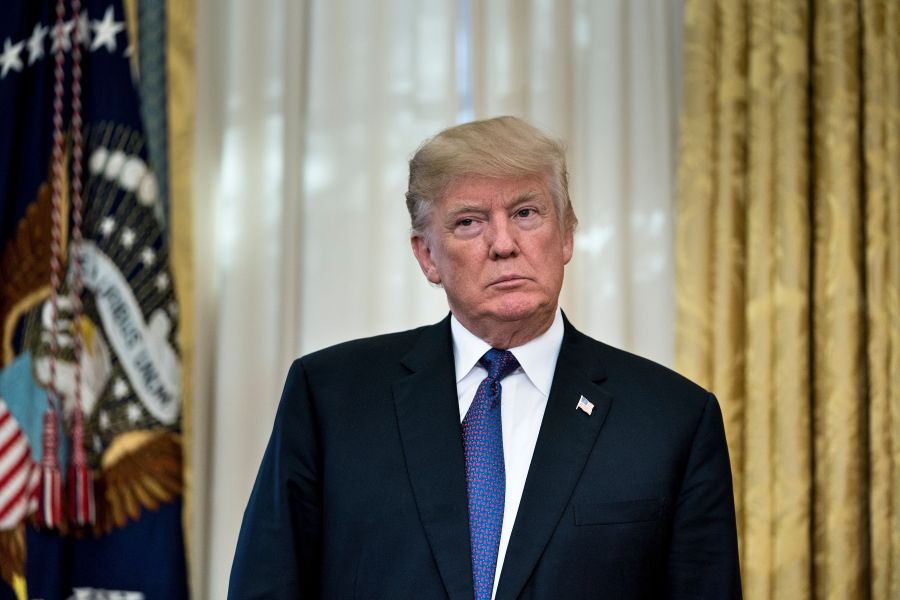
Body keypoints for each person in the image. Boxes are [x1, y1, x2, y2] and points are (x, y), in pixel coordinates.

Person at [227, 116, 742, 599]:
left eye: (525, 213)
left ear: (566, 235)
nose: (503, 243)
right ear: (427, 256)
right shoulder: (330, 399)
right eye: (470, 222)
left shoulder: (672, 420)